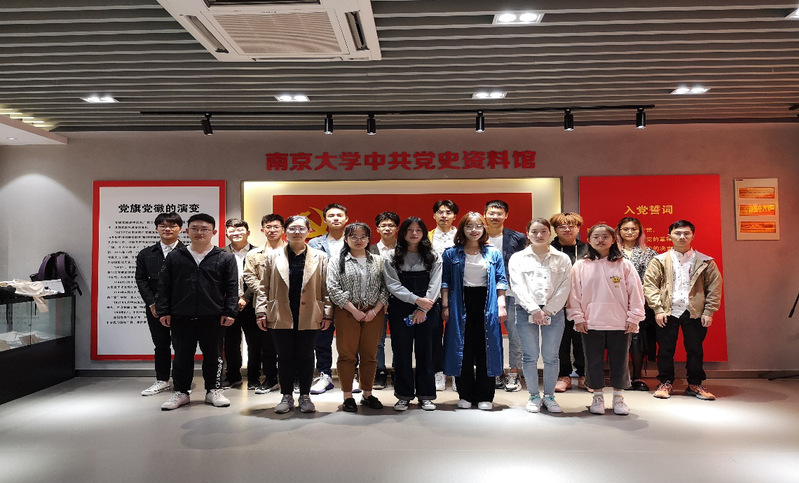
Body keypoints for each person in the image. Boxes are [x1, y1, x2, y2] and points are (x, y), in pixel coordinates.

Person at [156, 213, 239, 411]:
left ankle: (214, 390)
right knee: (182, 356)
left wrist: (230, 311)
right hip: (181, 315)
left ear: (214, 232)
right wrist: (163, 310)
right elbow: (164, 286)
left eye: (204, 229)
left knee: (214, 356)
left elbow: (232, 287)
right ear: (187, 231)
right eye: (195, 228)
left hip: (214, 316)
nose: (199, 232)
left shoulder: (225, 257)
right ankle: (181, 392)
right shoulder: (176, 256)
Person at [255, 215, 332, 414]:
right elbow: (263, 287)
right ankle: (286, 396)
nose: (297, 232)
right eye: (292, 228)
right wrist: (261, 311)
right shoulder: (273, 256)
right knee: (285, 356)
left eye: (301, 228)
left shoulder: (320, 257)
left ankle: (305, 396)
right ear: (285, 231)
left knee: (306, 355)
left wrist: (327, 313)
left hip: (310, 312)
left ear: (308, 231)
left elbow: (326, 287)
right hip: (281, 312)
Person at [567, 224, 646, 416]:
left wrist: (634, 317)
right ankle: (597, 397)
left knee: (620, 362)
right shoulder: (580, 266)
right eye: (596, 237)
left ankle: (619, 397)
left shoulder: (624, 264)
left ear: (613, 239)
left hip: (620, 323)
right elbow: (574, 294)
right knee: (592, 361)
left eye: (605, 236)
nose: (600, 240)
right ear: (589, 240)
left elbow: (636, 292)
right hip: (591, 322)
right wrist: (577, 317)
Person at [643, 220, 723, 401]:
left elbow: (714, 287)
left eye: (686, 233)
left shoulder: (705, 261)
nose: (682, 237)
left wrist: (709, 311)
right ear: (669, 236)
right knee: (665, 349)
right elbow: (650, 285)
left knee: (695, 349)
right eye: (677, 233)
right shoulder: (659, 260)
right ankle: (665, 382)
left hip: (695, 311)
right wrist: (658, 309)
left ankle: (695, 384)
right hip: (667, 311)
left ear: (693, 236)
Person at [441, 212, 507, 411]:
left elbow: (501, 280)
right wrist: (445, 306)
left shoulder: (493, 253)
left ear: (484, 228)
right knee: (463, 348)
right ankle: (465, 394)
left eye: (478, 226)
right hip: (460, 303)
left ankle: (485, 395)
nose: (474, 230)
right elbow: (445, 281)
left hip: (487, 302)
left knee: (486, 348)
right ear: (462, 229)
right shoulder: (451, 253)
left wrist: (501, 305)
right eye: (469, 226)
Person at [508, 218, 572, 413]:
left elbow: (565, 286)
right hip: (525, 310)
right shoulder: (518, 258)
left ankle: (550, 396)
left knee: (551, 356)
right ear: (527, 234)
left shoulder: (562, 258)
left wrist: (548, 310)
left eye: (543, 231)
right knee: (529, 356)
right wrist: (534, 310)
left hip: (554, 311)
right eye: (534, 231)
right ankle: (534, 396)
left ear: (550, 233)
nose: (539, 235)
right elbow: (517, 285)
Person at [327, 222, 389, 412]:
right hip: (347, 311)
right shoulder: (336, 261)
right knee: (347, 355)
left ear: (369, 239)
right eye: (353, 236)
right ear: (346, 239)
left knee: (370, 355)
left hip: (374, 313)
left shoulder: (378, 261)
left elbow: (386, 288)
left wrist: (375, 311)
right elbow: (332, 288)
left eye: (363, 236)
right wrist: (354, 310)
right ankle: (347, 396)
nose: (359, 240)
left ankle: (367, 393)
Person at [383, 217, 442, 411]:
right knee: (402, 352)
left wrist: (423, 308)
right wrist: (416, 301)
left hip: (428, 308)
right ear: (403, 232)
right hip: (400, 308)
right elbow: (392, 285)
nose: (414, 233)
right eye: (410, 230)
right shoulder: (391, 256)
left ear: (424, 233)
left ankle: (426, 395)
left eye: (418, 230)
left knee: (427, 352)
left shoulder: (433, 255)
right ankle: (403, 395)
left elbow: (436, 283)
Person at [135, 212, 184, 396]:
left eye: (172, 225)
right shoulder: (146, 254)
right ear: (156, 228)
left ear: (180, 229)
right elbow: (141, 280)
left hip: (182, 307)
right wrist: (152, 303)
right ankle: (162, 380)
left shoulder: (188, 252)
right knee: (161, 344)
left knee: (182, 345)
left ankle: (181, 382)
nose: (167, 229)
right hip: (155, 308)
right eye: (163, 225)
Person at [484, 200, 527, 391]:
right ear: (485, 214)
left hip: (512, 293)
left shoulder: (518, 237)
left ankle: (514, 373)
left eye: (499, 213)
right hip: (484, 293)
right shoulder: (478, 235)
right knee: (489, 335)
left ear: (506, 215)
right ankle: (494, 372)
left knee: (515, 335)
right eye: (491, 213)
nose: (495, 217)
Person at [307, 203, 349, 394]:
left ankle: (350, 375)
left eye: (339, 215)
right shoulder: (314, 244)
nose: (335, 219)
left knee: (349, 340)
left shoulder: (354, 240)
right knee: (322, 339)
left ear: (346, 219)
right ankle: (325, 375)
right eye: (331, 216)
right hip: (323, 297)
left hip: (349, 298)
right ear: (325, 220)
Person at [242, 214, 285, 394]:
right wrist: (265, 292)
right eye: (268, 227)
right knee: (267, 346)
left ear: (283, 229)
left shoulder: (292, 251)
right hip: (263, 304)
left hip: (288, 305)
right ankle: (270, 379)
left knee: (290, 345)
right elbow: (249, 276)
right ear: (262, 230)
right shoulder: (253, 254)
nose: (272, 230)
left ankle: (294, 379)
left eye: (276, 227)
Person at [616, 217, 659, 391]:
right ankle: (620, 377)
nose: (630, 232)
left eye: (634, 229)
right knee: (618, 340)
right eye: (625, 229)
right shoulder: (612, 252)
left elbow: (653, 279)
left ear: (640, 231)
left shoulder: (649, 253)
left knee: (637, 341)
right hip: (616, 302)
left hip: (640, 302)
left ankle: (636, 377)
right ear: (619, 231)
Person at [550, 212, 590, 392]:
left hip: (583, 303)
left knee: (583, 339)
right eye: (562, 226)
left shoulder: (588, 249)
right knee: (560, 339)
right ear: (555, 230)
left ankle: (584, 375)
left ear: (578, 228)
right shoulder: (548, 250)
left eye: (572, 226)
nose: (567, 229)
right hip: (555, 303)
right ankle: (563, 375)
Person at [220, 218, 256, 389]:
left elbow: (262, 278)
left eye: (240, 229)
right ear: (226, 233)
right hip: (228, 305)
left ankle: (254, 377)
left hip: (253, 304)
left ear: (248, 232)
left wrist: (246, 297)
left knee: (255, 343)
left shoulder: (259, 252)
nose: (236, 233)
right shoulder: (220, 253)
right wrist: (232, 299)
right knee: (230, 343)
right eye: (232, 230)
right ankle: (233, 376)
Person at [429, 199, 459, 391]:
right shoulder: (427, 237)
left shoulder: (462, 236)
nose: (444, 216)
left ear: (454, 216)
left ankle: (456, 373)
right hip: (433, 292)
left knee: (457, 334)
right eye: (440, 212)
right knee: (434, 334)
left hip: (458, 292)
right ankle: (438, 373)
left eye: (448, 212)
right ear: (434, 215)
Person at [369, 211, 400, 390]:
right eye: (383, 225)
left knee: (399, 338)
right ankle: (379, 371)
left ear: (397, 228)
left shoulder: (404, 249)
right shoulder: (369, 250)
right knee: (377, 339)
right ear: (377, 229)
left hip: (400, 301)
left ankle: (398, 370)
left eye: (391, 225)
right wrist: (381, 299)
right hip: (376, 302)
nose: (387, 229)